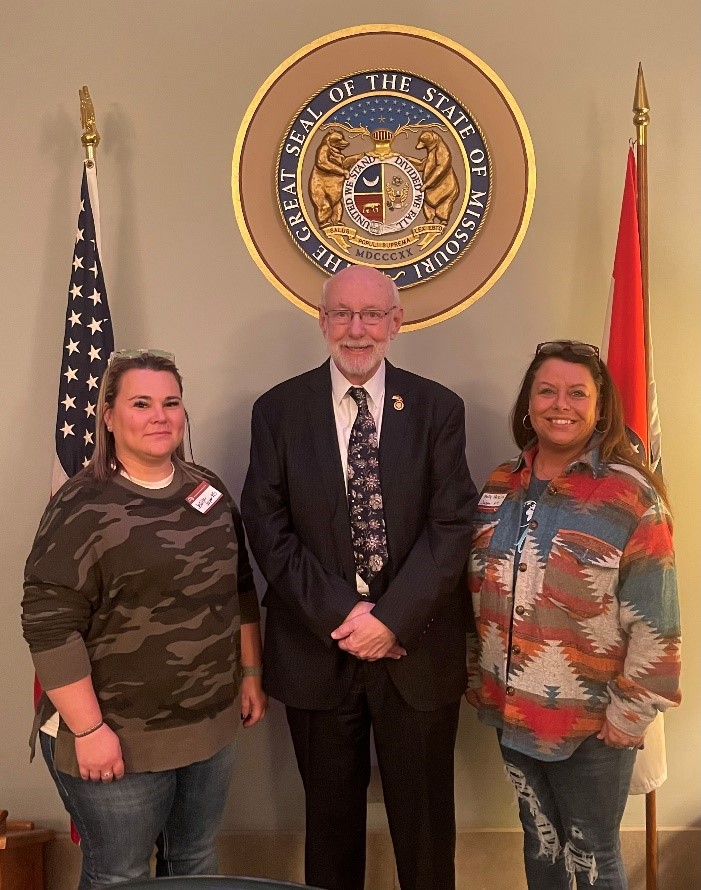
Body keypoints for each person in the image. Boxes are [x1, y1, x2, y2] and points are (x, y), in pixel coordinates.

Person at [241, 265, 478, 890]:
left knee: (426, 836)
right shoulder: (278, 411)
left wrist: (392, 620)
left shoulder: (436, 409)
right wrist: (347, 616)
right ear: (322, 321)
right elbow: (267, 527)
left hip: (416, 651)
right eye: (342, 313)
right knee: (329, 833)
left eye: (372, 314)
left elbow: (452, 524)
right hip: (318, 651)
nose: (356, 329)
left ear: (396, 323)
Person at [22, 350, 267, 889]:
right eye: (141, 403)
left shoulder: (209, 491)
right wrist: (89, 730)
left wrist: (250, 674)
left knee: (195, 861)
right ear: (109, 416)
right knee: (121, 875)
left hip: (209, 729)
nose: (160, 416)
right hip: (116, 735)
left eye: (170, 403)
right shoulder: (80, 505)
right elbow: (49, 625)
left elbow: (240, 588)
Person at [466, 340, 681, 889]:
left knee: (591, 858)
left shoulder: (631, 496)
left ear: (600, 407)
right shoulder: (500, 486)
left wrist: (627, 718)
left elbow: (658, 624)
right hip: (511, 711)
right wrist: (478, 678)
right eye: (547, 391)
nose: (560, 405)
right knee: (540, 845)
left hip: (591, 726)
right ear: (528, 403)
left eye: (577, 393)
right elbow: (476, 592)